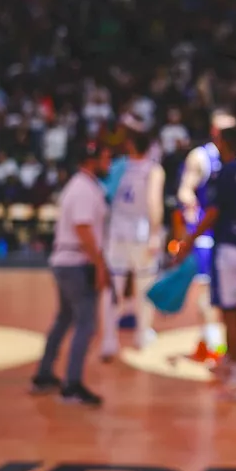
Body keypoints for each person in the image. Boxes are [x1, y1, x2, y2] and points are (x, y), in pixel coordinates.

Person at [177, 126, 236, 401]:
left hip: (229, 247)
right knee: (232, 309)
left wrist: (189, 239)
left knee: (230, 314)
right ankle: (230, 361)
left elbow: (214, 212)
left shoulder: (223, 173)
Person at [31, 141, 112, 406]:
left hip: (67, 260)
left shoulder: (80, 186)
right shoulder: (84, 189)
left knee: (64, 318)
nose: (108, 164)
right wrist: (100, 264)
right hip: (77, 262)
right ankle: (72, 385)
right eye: (105, 157)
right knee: (86, 324)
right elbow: (83, 228)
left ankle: (44, 375)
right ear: (92, 160)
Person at [100, 127, 165, 359]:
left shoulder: (118, 166)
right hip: (141, 233)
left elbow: (103, 196)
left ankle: (109, 340)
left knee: (113, 288)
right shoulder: (153, 170)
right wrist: (156, 234)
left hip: (116, 233)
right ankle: (141, 335)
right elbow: (153, 202)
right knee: (144, 285)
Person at [174, 111, 230, 363]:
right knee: (207, 288)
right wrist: (191, 209)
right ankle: (215, 341)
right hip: (206, 232)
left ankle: (205, 339)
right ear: (214, 131)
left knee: (225, 291)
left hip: (230, 233)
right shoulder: (200, 156)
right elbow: (185, 189)